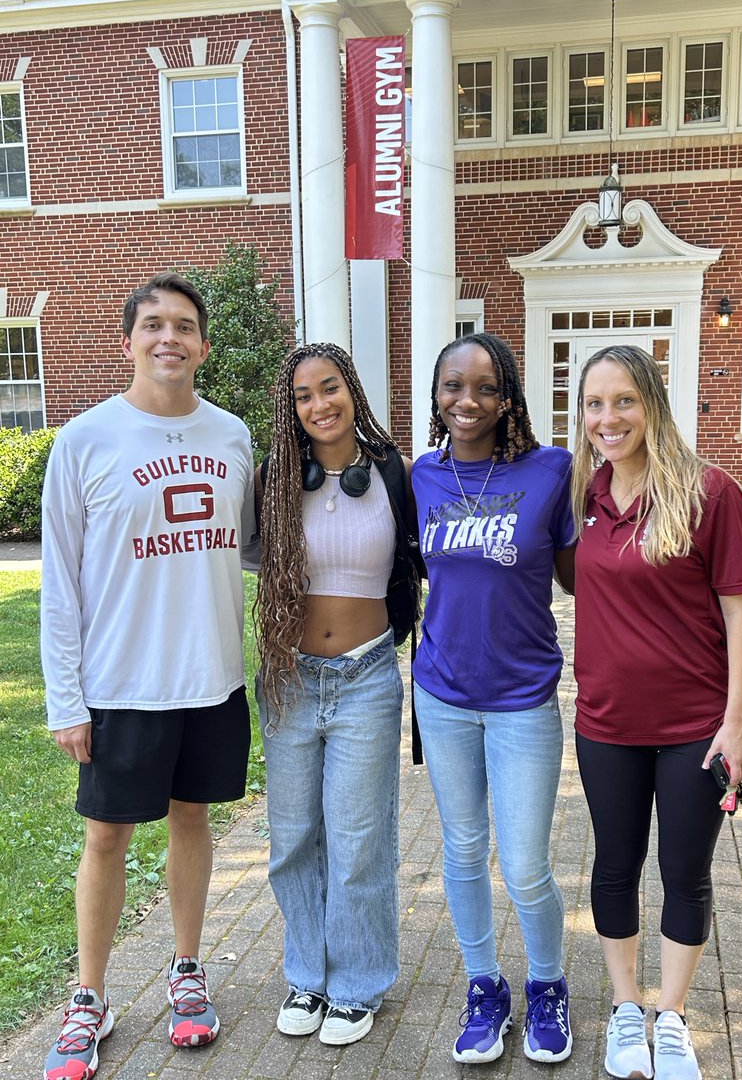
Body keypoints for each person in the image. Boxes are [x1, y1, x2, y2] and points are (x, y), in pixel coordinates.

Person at [40, 271, 257, 1080]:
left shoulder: (232, 435)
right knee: (106, 837)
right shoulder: (86, 440)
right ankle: (88, 998)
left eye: (184, 325)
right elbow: (59, 583)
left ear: (202, 345)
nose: (169, 337)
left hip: (210, 679)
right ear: (127, 340)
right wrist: (68, 699)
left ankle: (186, 970)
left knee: (192, 821)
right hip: (120, 684)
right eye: (153, 324)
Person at [570, 344, 742, 1080]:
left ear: (651, 403)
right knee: (614, 868)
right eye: (593, 403)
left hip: (694, 729)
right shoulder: (583, 496)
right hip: (606, 724)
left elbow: (740, 614)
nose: (608, 417)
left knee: (686, 873)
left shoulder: (711, 493)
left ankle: (671, 1018)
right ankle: (624, 1011)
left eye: (623, 401)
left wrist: (736, 722)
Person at [411, 332, 576, 1066]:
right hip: (442, 693)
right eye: (452, 387)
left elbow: (585, 579)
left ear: (507, 396)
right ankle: (485, 987)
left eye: (483, 387)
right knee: (462, 849)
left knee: (526, 862)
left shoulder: (551, 472)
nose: (466, 401)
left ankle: (546, 984)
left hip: (522, 700)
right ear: (436, 396)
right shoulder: (419, 476)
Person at [253, 343, 415, 1048]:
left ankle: (357, 985)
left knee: (358, 841)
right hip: (290, 679)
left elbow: (420, 559)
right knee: (291, 841)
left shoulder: (390, 471)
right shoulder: (274, 477)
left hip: (365, 676)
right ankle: (306, 976)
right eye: (302, 396)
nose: (318, 405)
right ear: (289, 411)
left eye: (329, 388)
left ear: (352, 388)